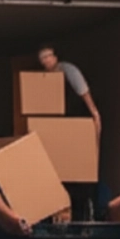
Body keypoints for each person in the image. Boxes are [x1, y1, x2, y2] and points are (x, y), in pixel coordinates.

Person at [37, 43, 105, 219]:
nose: (45, 60)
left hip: (74, 125)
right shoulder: (44, 78)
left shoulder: (68, 71)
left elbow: (83, 92)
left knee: (79, 178)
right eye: (42, 58)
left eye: (48, 56)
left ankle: (83, 215)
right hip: (58, 129)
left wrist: (95, 115)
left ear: (55, 57)